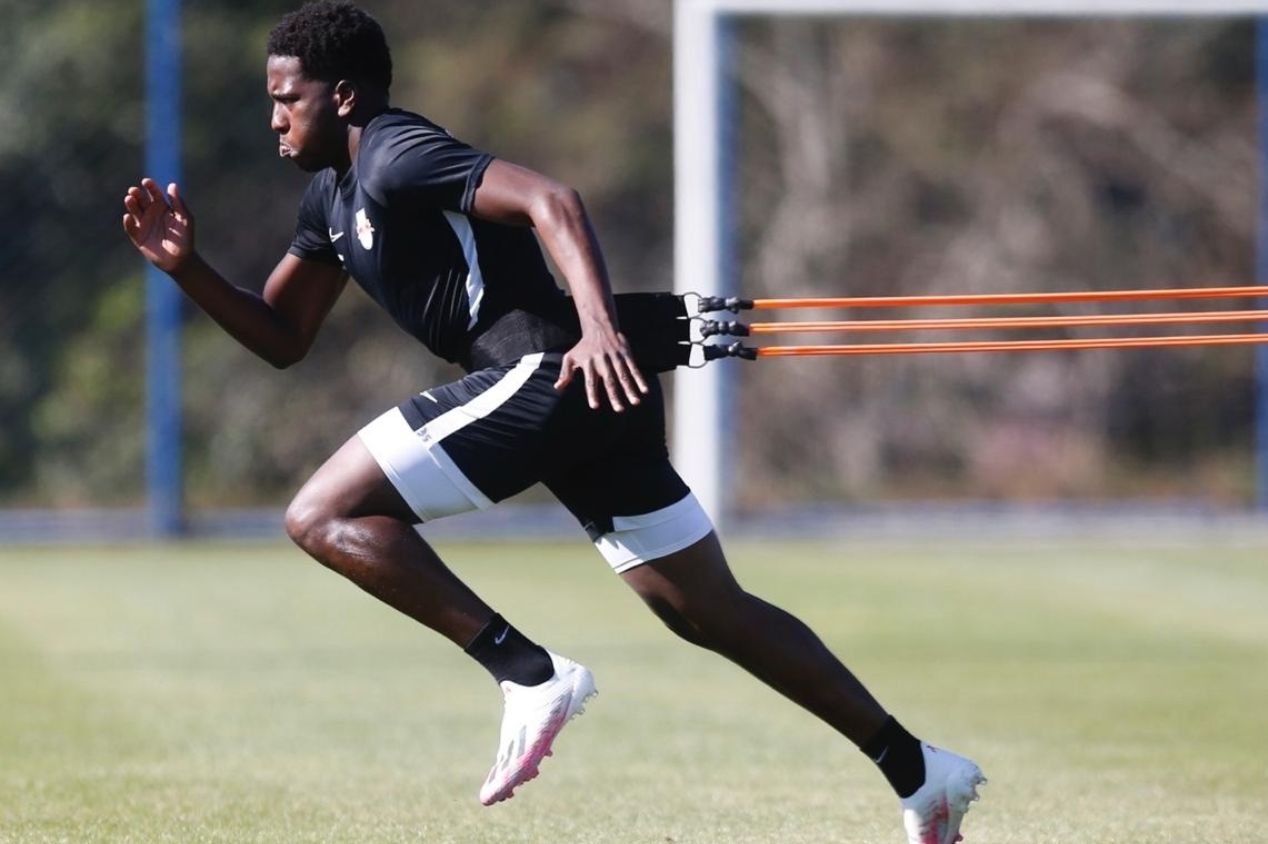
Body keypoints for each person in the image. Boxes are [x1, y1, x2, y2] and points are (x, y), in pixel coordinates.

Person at [121, 2, 985, 840]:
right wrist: (188, 268)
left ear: (342, 95)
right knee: (705, 611)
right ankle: (919, 768)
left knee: (320, 514)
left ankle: (527, 673)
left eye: (286, 97)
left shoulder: (393, 155)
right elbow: (283, 337)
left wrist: (602, 328)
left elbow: (553, 201)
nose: (273, 118)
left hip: (553, 371)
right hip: (586, 391)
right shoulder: (330, 199)